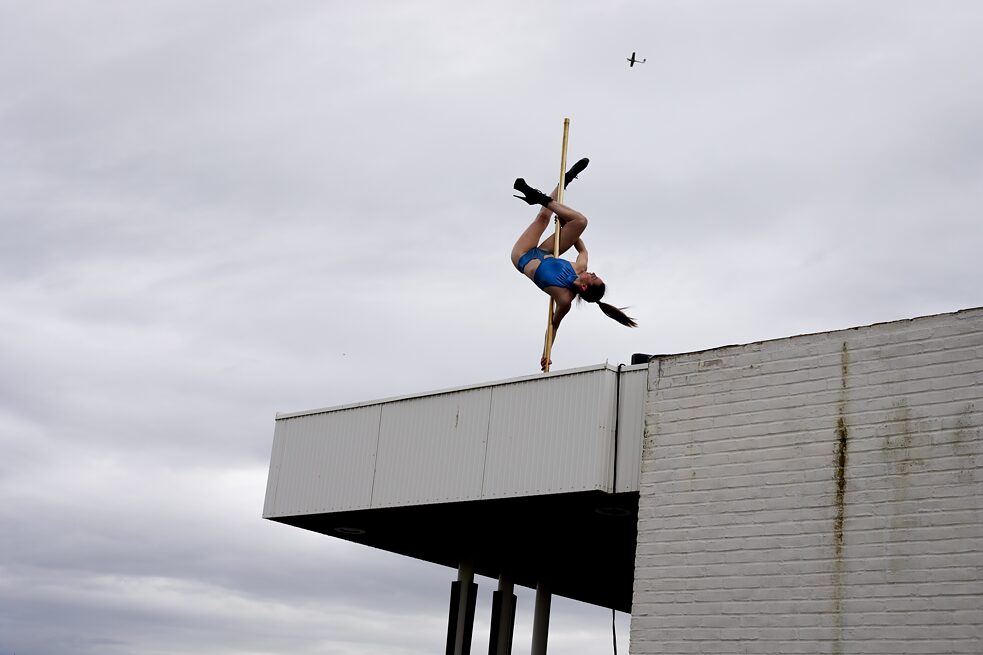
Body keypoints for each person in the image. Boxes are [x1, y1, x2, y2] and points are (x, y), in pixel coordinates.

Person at [510, 158, 637, 371]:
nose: (593, 272)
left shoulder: (564, 299)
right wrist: (567, 225)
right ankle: (564, 182)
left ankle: (540, 198)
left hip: (522, 255)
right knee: (580, 222)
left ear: (585, 287)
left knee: (542, 218)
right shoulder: (580, 267)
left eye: (594, 277)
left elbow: (553, 325)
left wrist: (546, 353)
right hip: (544, 252)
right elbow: (583, 251)